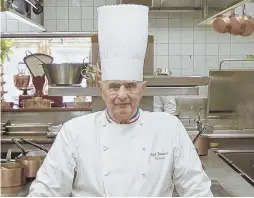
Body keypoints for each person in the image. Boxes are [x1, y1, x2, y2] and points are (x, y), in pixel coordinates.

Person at [28, 4, 213, 197]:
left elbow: (196, 189)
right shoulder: (75, 132)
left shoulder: (169, 129)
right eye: (114, 86)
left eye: (131, 86)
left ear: (142, 89)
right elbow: (46, 191)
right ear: (101, 89)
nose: (122, 95)